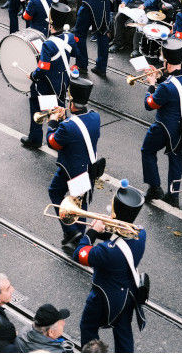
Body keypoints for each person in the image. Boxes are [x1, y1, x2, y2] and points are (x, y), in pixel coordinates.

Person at [73, 181, 146, 353]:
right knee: (123, 332)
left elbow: (79, 253)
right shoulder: (141, 233)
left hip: (104, 295)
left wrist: (92, 232)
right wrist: (103, 227)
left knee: (88, 326)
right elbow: (118, 236)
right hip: (127, 293)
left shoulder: (106, 252)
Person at [47, 74, 100, 249]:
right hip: (88, 168)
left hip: (70, 169)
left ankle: (71, 230)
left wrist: (53, 123)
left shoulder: (67, 126)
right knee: (80, 203)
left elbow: (53, 142)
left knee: (55, 192)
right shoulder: (95, 117)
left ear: (71, 102)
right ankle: (79, 237)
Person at [141, 37, 182, 207]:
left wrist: (151, 84)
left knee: (147, 151)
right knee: (175, 157)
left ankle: (154, 187)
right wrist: (160, 77)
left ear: (167, 62)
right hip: (181, 125)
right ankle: (173, 195)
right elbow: (174, 81)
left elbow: (150, 104)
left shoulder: (165, 87)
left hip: (163, 126)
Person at [22, 0, 77, 149]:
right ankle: (62, 139)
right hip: (62, 80)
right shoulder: (70, 37)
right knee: (59, 109)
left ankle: (35, 139)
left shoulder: (48, 44)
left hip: (47, 83)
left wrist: (33, 76)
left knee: (36, 103)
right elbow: (75, 53)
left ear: (50, 24)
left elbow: (43, 68)